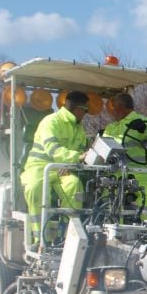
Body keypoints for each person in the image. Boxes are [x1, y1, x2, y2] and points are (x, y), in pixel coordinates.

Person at [20, 90, 90, 241]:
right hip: (39, 167)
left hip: (62, 169)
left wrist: (71, 163)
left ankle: (65, 235)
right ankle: (39, 238)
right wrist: (76, 158)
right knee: (34, 188)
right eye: (85, 111)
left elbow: (81, 150)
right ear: (79, 110)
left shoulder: (79, 128)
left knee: (74, 184)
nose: (85, 115)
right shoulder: (51, 121)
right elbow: (53, 149)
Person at [102, 92, 147, 224]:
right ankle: (112, 231)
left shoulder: (144, 122)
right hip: (113, 174)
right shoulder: (110, 128)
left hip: (139, 174)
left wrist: (145, 130)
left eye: (113, 108)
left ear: (119, 107)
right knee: (107, 197)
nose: (112, 112)